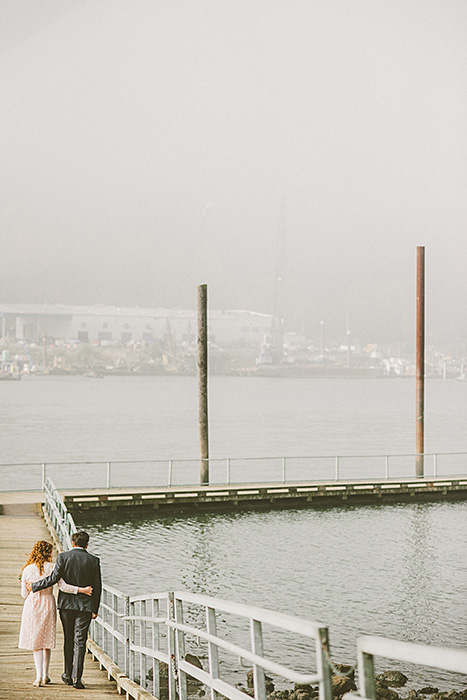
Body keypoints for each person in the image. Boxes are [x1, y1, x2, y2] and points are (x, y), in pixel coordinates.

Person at [30, 531, 102, 690]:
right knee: (81, 641)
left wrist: (35, 586)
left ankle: (67, 675)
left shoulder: (63, 557)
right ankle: (77, 678)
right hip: (85, 606)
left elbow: (54, 578)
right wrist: (95, 608)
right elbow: (97, 586)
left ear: (73, 543)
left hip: (66, 606)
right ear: (87, 544)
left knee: (68, 639)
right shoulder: (94, 560)